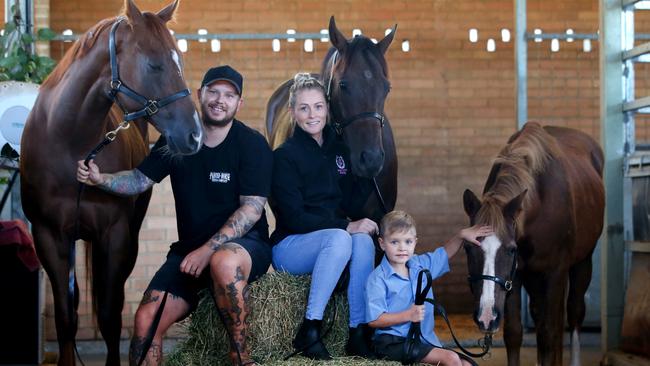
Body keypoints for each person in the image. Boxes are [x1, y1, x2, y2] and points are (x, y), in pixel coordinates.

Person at [76, 65, 272, 366]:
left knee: (223, 261)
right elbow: (139, 180)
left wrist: (208, 250)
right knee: (145, 321)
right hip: (189, 253)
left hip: (244, 247)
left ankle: (241, 358)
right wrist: (100, 180)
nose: (220, 100)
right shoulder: (177, 142)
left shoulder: (252, 144)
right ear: (200, 95)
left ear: (239, 103)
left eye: (229, 95)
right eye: (214, 92)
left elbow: (252, 208)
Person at [269, 73, 377, 360]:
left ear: (327, 110)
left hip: (332, 241)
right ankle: (310, 327)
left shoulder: (339, 151)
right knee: (342, 238)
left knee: (364, 242)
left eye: (318, 106)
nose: (312, 114)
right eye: (303, 108)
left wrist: (366, 176)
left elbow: (350, 203)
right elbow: (294, 218)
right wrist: (346, 225)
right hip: (291, 246)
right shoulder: (284, 156)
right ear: (293, 112)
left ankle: (357, 331)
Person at [366, 210, 493, 366]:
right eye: (394, 242)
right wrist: (407, 315)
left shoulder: (420, 265)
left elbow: (444, 253)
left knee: (467, 364)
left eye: (408, 241)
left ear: (415, 242)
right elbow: (374, 319)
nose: (402, 248)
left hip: (423, 340)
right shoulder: (377, 279)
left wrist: (461, 235)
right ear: (382, 243)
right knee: (451, 359)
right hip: (392, 342)